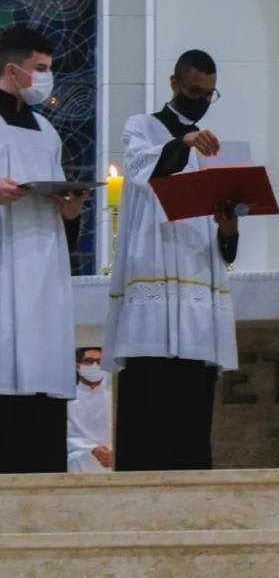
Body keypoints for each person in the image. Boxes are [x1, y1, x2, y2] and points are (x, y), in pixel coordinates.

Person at [103, 50, 239, 471]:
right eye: (195, 91)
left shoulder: (213, 146)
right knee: (150, 398)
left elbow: (225, 242)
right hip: (154, 276)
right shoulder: (141, 127)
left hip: (197, 278)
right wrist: (181, 142)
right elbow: (147, 170)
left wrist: (229, 226)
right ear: (174, 84)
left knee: (192, 407)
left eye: (209, 94)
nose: (200, 100)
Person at [0, 25, 88, 474]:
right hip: (4, 265)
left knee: (41, 372)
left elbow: (56, 206)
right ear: (12, 70)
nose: (46, 78)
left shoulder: (46, 131)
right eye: (39, 69)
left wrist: (70, 214)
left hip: (44, 266)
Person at [67, 348, 112, 472]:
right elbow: (66, 435)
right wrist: (92, 449)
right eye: (89, 361)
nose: (95, 365)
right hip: (80, 455)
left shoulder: (112, 396)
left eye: (99, 362)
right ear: (77, 366)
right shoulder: (68, 398)